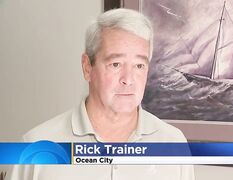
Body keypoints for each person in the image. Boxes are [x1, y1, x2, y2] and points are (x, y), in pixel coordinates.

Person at [9, 8, 195, 180]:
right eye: (116, 64)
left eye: (139, 65)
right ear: (87, 67)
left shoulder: (173, 143)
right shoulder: (35, 147)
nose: (128, 79)